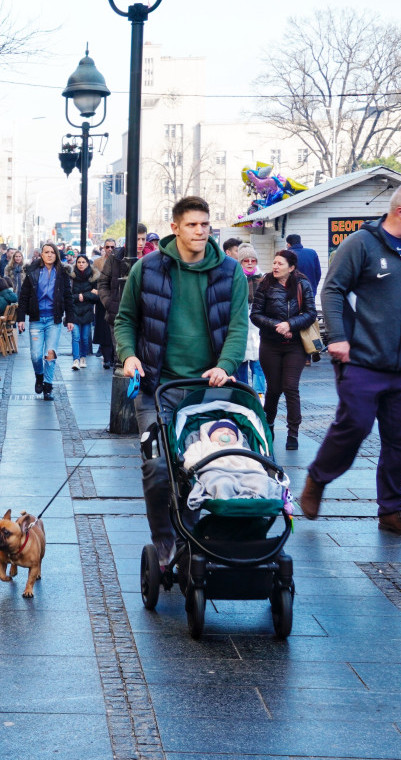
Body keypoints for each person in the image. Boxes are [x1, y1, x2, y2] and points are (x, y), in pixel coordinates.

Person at [115, 196, 249, 568]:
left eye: (205, 224)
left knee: (203, 462)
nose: (200, 231)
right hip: (156, 389)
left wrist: (226, 364)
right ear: (175, 228)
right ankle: (164, 541)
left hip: (208, 390)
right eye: (192, 224)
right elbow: (125, 319)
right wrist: (128, 355)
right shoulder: (147, 268)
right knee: (158, 466)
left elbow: (238, 326)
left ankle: (188, 537)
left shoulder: (230, 271)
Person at [299, 183, 401, 534]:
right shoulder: (361, 244)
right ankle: (318, 478)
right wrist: (338, 338)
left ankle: (391, 510)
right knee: (355, 425)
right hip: (362, 359)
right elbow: (332, 289)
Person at [250, 250, 315, 450]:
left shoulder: (302, 284)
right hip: (270, 344)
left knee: (290, 387)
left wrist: (290, 325)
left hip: (295, 345)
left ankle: (293, 433)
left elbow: (310, 313)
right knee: (274, 388)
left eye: (280, 264)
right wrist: (277, 326)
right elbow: (255, 315)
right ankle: (268, 424)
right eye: (274, 263)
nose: (275, 267)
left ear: (291, 267)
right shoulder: (265, 284)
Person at [181, 419, 286, 510]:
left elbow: (255, 464)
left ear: (238, 438)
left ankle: (258, 498)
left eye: (232, 433)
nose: (226, 433)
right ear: (209, 435)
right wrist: (196, 467)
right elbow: (189, 459)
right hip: (215, 472)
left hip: (245, 474)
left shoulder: (242, 449)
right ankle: (225, 499)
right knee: (221, 483)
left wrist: (261, 474)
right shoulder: (200, 446)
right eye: (220, 431)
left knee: (262, 482)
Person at [17, 243, 74, 400]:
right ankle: (39, 376)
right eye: (46, 252)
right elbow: (23, 296)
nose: (49, 255)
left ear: (56, 255)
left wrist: (70, 318)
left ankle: (48, 386)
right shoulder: (32, 272)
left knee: (50, 353)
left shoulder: (62, 273)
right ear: (41, 255)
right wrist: (20, 318)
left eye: (52, 252)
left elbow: (68, 296)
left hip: (53, 319)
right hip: (36, 319)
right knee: (36, 355)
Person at [96, 225, 145, 370]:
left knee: (144, 359)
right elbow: (102, 283)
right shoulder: (115, 258)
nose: (141, 243)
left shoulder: (151, 258)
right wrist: (110, 304)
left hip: (145, 316)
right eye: (137, 239)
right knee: (121, 360)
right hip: (118, 314)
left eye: (143, 239)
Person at [232, 244, 267, 395]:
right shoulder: (235, 278)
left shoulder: (264, 279)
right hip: (241, 327)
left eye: (253, 260)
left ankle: (259, 395)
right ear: (241, 262)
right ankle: (243, 394)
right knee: (240, 365)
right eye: (246, 260)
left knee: (259, 365)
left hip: (258, 328)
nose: (250, 263)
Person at [70, 254, 99, 370]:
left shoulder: (93, 277)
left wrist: (84, 296)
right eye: (79, 262)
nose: (81, 264)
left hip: (87, 311)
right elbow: (67, 295)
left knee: (85, 338)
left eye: (83, 262)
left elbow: (96, 296)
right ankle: (76, 359)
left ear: (87, 264)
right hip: (74, 311)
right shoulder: (72, 277)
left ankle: (83, 357)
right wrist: (79, 296)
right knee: (76, 336)